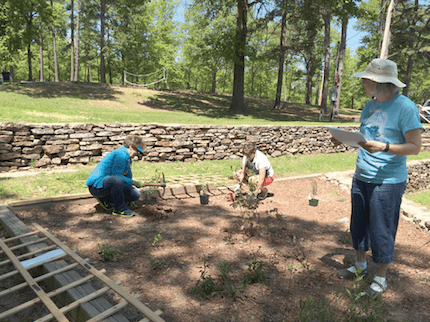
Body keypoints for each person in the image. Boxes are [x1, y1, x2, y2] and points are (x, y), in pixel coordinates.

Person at [334, 59, 422, 299]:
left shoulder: (406, 107)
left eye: (366, 78)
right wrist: (344, 139)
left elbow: (415, 147)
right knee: (359, 223)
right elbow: (365, 138)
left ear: (378, 82)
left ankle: (381, 278)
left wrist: (384, 147)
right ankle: (360, 266)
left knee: (382, 228)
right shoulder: (369, 105)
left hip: (388, 181)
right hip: (362, 174)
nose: (362, 82)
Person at [86, 135, 146, 217]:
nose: (138, 153)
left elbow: (126, 177)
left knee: (135, 194)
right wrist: (134, 182)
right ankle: (120, 209)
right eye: (137, 150)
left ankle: (108, 200)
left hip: (109, 184)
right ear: (131, 147)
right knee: (117, 180)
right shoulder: (120, 155)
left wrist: (130, 186)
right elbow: (116, 176)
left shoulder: (128, 158)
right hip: (97, 187)